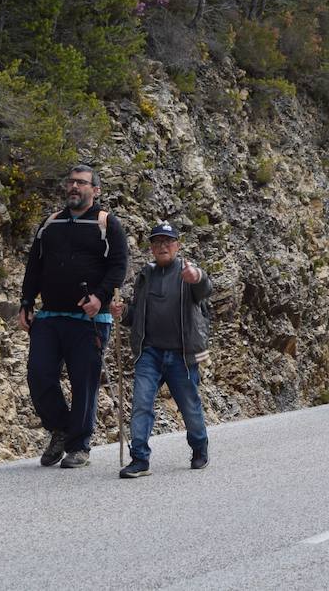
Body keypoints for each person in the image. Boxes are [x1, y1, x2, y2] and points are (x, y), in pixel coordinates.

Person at [17, 164, 129, 469]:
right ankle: (61, 429)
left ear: (96, 190)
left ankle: (79, 446)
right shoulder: (49, 224)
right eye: (71, 182)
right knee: (39, 375)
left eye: (81, 183)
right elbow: (34, 268)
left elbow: (119, 266)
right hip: (50, 317)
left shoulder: (108, 224)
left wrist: (100, 297)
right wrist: (26, 302)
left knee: (84, 383)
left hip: (89, 319)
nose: (74, 187)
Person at [111, 222, 211, 478]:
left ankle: (200, 447)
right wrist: (123, 314)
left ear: (177, 245)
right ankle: (139, 459)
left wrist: (197, 277)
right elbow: (136, 315)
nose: (162, 246)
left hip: (182, 355)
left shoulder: (188, 272)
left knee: (189, 406)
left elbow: (204, 289)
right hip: (150, 354)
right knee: (141, 404)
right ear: (151, 248)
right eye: (157, 242)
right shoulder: (145, 275)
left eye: (168, 242)